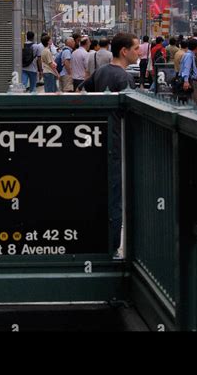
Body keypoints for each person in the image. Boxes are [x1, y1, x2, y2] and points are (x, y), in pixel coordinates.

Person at [82, 33, 139, 258]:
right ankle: (112, 245)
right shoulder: (125, 79)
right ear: (124, 51)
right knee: (115, 194)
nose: (139, 52)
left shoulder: (101, 71)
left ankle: (96, 239)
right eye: (136, 49)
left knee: (99, 190)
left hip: (96, 138)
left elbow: (83, 91)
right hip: (116, 140)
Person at [180, 38, 197, 106]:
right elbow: (186, 69)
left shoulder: (189, 55)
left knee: (191, 101)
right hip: (191, 82)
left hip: (191, 81)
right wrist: (186, 81)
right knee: (195, 103)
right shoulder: (189, 56)